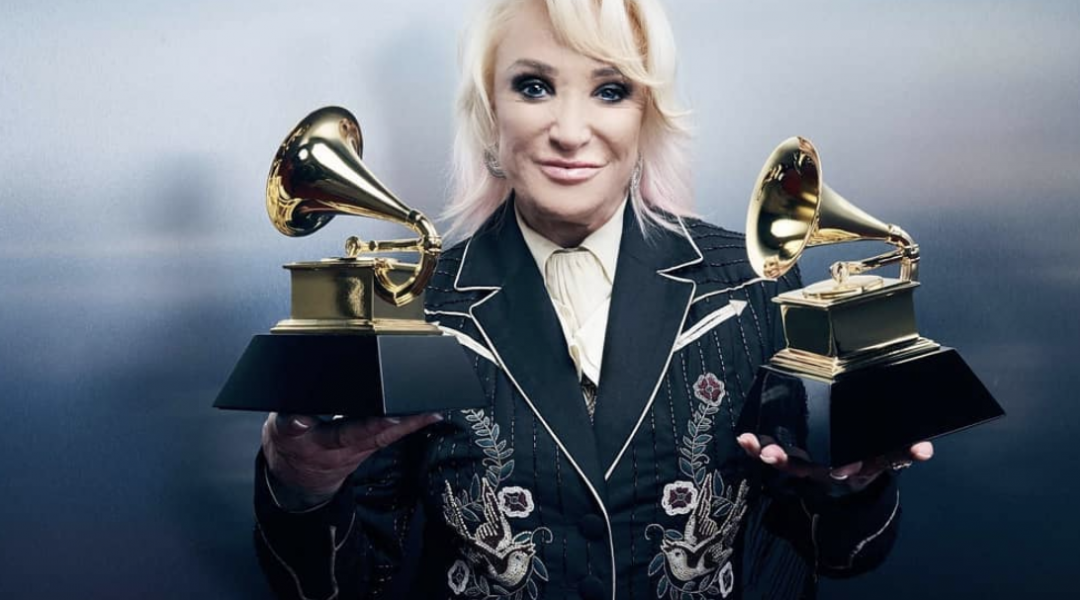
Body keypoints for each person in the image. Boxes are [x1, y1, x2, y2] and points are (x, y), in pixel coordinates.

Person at [253, 1, 934, 598]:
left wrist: (852, 486)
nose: (571, 131)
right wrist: (301, 490)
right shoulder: (411, 308)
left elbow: (841, 557)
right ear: (490, 114)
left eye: (610, 91)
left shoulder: (753, 283)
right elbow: (344, 586)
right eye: (534, 86)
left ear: (647, 116)